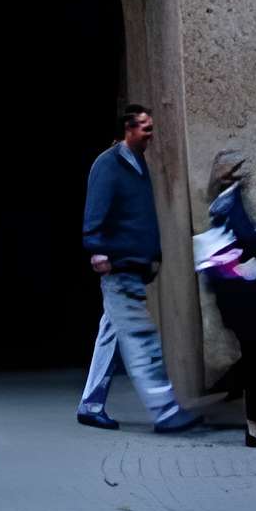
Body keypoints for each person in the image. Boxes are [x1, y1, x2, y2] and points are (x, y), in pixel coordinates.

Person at [76, 103, 200, 435]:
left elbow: (142, 215)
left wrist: (153, 254)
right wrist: (97, 248)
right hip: (117, 266)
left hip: (133, 264)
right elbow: (96, 209)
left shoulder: (137, 163)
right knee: (141, 338)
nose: (151, 131)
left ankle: (90, 405)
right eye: (144, 126)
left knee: (111, 333)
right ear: (128, 128)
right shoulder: (109, 164)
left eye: (151, 126)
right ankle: (165, 410)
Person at [196, 149, 256, 449]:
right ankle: (255, 426)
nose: (247, 175)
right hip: (246, 299)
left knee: (255, 361)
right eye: (241, 169)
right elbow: (247, 242)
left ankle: (250, 415)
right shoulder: (230, 204)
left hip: (241, 298)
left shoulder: (223, 204)